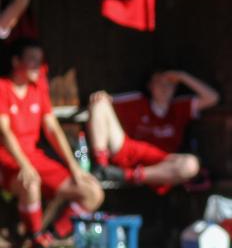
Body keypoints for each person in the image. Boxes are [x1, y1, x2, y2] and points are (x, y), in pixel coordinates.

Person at [0, 39, 105, 248]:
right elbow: (5, 131)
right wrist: (24, 165)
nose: (36, 65)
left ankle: (45, 239)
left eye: (39, 60)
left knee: (92, 192)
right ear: (16, 61)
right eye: (31, 59)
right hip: (8, 159)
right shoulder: (3, 87)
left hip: (35, 158)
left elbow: (53, 129)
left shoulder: (38, 89)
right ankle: (35, 241)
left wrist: (74, 167)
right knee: (31, 183)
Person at [86, 70, 219, 192]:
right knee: (99, 103)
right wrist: (101, 96)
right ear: (150, 85)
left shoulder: (180, 107)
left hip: (162, 165)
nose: (164, 87)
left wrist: (182, 76)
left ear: (175, 88)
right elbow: (105, 99)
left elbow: (212, 98)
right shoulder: (137, 101)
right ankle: (101, 168)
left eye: (169, 84)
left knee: (191, 165)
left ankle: (125, 175)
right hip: (128, 151)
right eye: (159, 82)